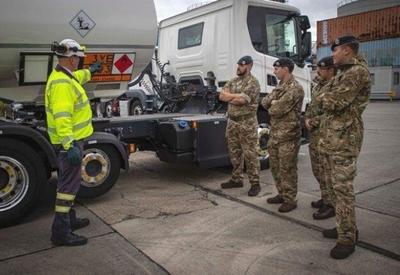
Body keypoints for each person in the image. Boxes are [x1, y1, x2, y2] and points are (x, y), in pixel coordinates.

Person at [45, 38, 102, 246]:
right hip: (70, 143)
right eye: (78, 58)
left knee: (67, 182)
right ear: (70, 58)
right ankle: (60, 232)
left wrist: (91, 72)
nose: (80, 62)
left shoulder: (64, 76)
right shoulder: (61, 84)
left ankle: (69, 220)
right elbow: (63, 117)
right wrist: (69, 146)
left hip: (71, 141)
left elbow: (77, 77)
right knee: (67, 187)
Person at [319, 35, 371, 259]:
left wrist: (323, 96)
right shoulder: (344, 73)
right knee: (333, 187)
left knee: (342, 190)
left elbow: (332, 102)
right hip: (334, 137)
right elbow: (323, 97)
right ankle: (344, 226)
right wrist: (323, 96)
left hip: (345, 139)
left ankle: (347, 238)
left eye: (336, 50)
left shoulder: (356, 72)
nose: (333, 54)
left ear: (348, 50)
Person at [262, 57, 304, 213]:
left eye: (276, 68)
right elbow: (264, 102)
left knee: (288, 169)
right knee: (275, 167)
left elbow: (275, 109)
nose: (274, 71)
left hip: (288, 136)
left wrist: (273, 103)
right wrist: (272, 102)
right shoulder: (280, 87)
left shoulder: (295, 88)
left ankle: (290, 199)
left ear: (286, 69)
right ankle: (281, 193)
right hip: (276, 134)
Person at [219, 55, 261, 197]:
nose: (238, 67)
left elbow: (241, 101)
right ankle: (237, 179)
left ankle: (255, 184)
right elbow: (221, 96)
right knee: (234, 152)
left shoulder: (253, 83)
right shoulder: (233, 80)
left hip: (247, 123)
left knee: (250, 154)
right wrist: (234, 97)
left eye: (241, 65)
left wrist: (231, 97)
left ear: (248, 66)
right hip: (232, 122)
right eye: (238, 65)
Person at [304, 56, 337, 220]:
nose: (318, 71)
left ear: (331, 70)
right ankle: (325, 197)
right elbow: (312, 106)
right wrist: (307, 119)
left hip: (327, 135)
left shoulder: (335, 86)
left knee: (327, 171)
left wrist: (314, 121)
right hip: (316, 135)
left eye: (321, 69)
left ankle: (331, 204)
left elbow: (332, 112)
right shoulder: (319, 85)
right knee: (318, 169)